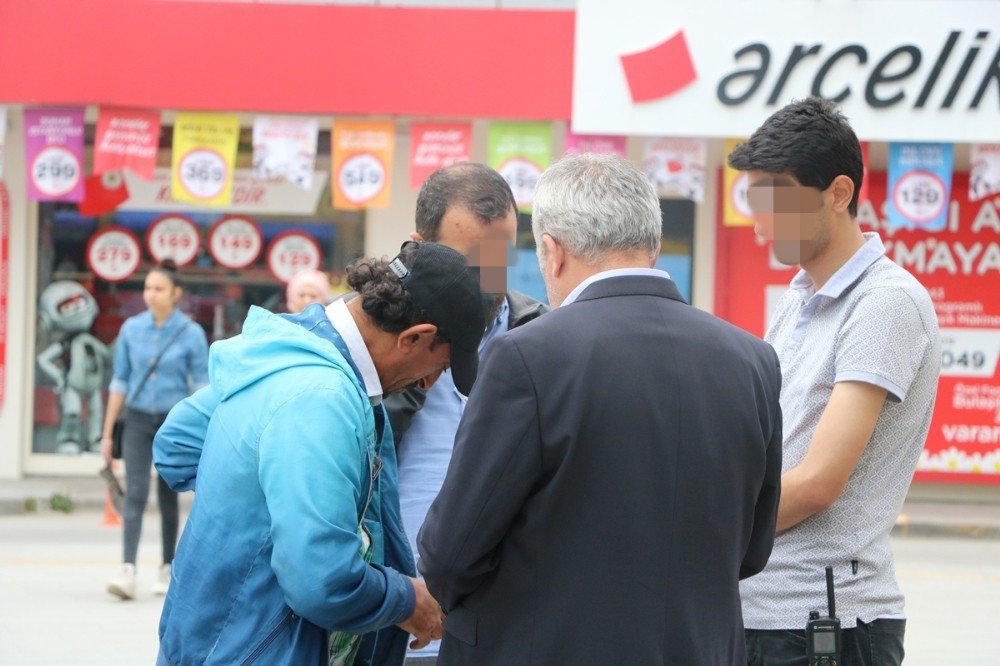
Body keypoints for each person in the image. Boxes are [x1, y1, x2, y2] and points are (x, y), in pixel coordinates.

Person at [417, 153, 783, 665]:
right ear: (652, 248)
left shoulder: (526, 356)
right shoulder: (752, 360)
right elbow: (752, 549)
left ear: (552, 252)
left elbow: (451, 554)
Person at [153, 243, 487, 666]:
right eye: (440, 366)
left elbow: (177, 445)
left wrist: (265, 501)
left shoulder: (291, 349)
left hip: (210, 641)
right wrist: (406, 601)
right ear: (414, 338)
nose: (428, 384)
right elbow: (321, 580)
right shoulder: (320, 398)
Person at [730, 98, 941, 666]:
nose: (759, 224)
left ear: (839, 193)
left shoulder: (884, 303)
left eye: (775, 204)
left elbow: (818, 481)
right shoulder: (799, 297)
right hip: (759, 611)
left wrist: (699, 522)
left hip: (823, 624)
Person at [387, 163, 547, 665]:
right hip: (391, 621)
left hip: (503, 632)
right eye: (467, 262)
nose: (484, 279)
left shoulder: (542, 338)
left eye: (498, 258)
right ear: (418, 248)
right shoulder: (374, 342)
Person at [99, 260, 208, 600]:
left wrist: (202, 430)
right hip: (135, 420)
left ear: (176, 294)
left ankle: (166, 566)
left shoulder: (191, 332)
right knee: (134, 493)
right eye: (147, 288)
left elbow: (201, 384)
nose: (151, 294)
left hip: (172, 422)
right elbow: (120, 380)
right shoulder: (131, 329)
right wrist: (106, 433)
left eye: (159, 288)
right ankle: (127, 568)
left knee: (167, 494)